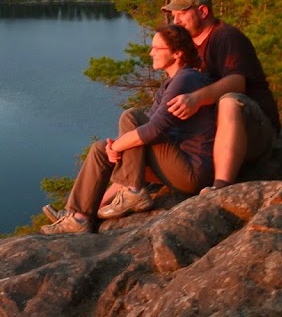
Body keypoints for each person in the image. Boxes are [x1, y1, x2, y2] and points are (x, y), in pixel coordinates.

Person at [40, 24, 216, 234]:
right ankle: (79, 216)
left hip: (190, 170)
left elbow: (154, 130)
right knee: (99, 150)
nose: (151, 53)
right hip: (174, 163)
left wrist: (116, 146)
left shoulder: (186, 79)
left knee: (131, 116)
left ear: (177, 53)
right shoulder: (170, 83)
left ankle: (133, 191)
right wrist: (114, 149)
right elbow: (150, 128)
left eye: (157, 49)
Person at [163, 0, 281, 191]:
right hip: (213, 136)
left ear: (203, 12)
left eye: (182, 14)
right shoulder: (188, 48)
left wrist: (196, 98)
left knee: (229, 102)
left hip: (255, 130)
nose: (176, 21)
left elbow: (237, 82)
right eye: (174, 15)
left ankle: (221, 187)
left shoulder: (226, 36)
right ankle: (122, 194)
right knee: (143, 121)